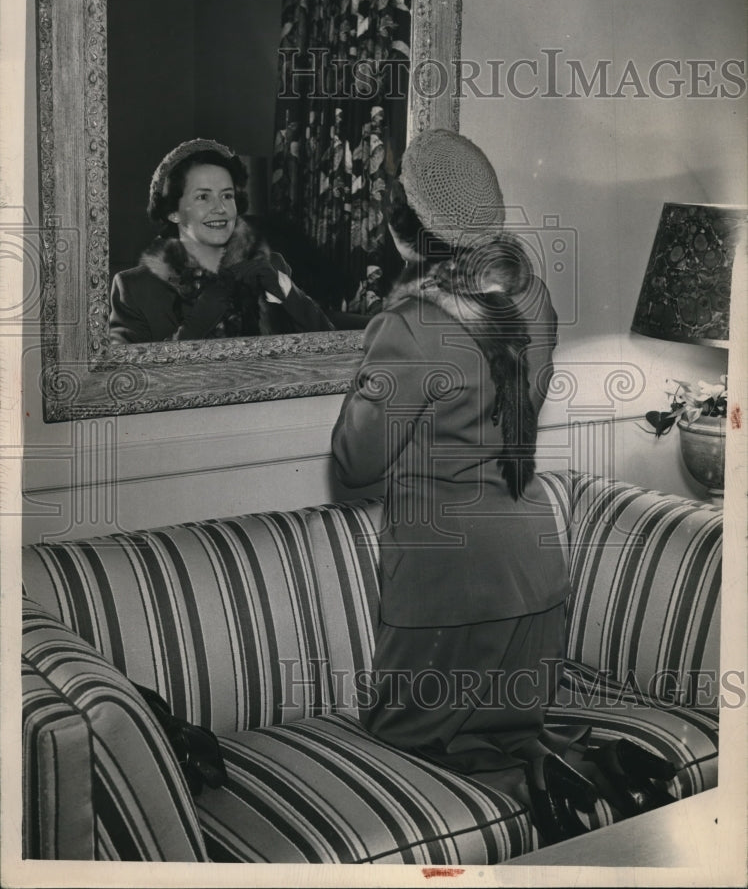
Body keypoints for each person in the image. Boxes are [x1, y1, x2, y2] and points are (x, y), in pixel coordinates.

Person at [331, 129, 677, 845]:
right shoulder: (535, 297)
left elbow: (354, 463)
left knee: (408, 737)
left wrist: (372, 370)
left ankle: (537, 775)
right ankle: (584, 760)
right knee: (502, 727)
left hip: (448, 573)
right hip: (535, 559)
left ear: (405, 228)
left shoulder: (411, 325)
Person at [109, 138, 334, 344]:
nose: (220, 208)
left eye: (227, 195)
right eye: (203, 197)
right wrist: (199, 321)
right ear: (173, 212)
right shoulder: (134, 288)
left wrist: (287, 291)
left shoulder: (271, 265)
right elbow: (127, 380)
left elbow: (334, 348)